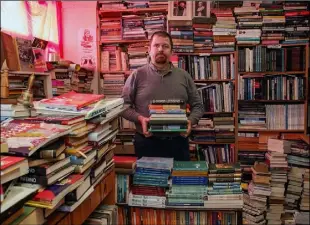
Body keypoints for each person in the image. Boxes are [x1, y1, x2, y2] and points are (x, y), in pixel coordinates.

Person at [121, 31, 204, 161]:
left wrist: (191, 121)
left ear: (171, 51)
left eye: (165, 46)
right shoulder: (137, 75)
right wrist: (140, 119)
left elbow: (198, 105)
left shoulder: (184, 76)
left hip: (178, 142)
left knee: (179, 181)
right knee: (147, 181)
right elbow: (123, 106)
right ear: (149, 50)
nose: (160, 49)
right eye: (156, 45)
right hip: (147, 142)